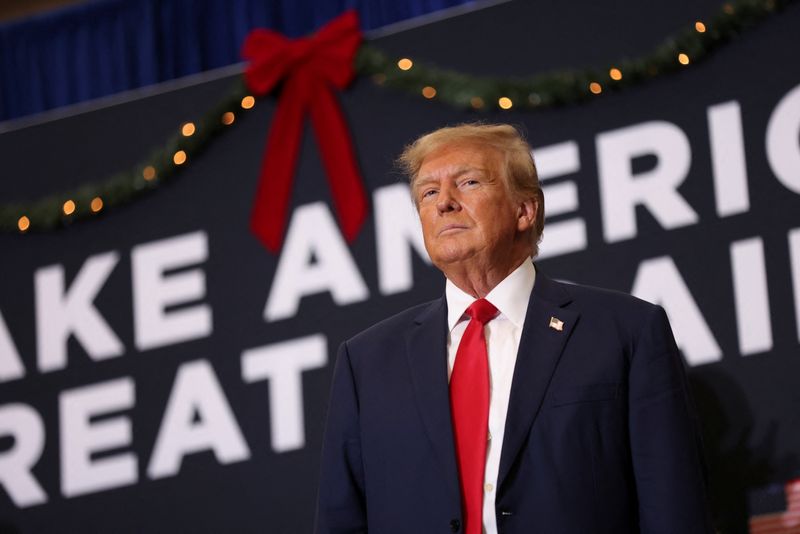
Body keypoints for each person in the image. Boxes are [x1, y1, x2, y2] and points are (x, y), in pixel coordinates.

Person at [315, 123, 713, 534]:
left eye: (468, 182)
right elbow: (340, 521)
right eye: (429, 192)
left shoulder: (624, 332)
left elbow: (674, 507)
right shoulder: (367, 363)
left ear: (525, 210)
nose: (444, 203)